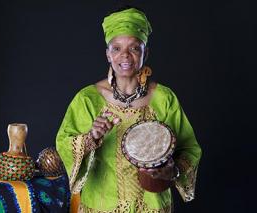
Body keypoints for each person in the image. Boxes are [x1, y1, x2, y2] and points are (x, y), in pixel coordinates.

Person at [56, 6, 202, 213]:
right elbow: (63, 144)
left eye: (134, 48)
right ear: (108, 54)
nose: (125, 56)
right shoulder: (87, 99)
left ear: (145, 52)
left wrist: (173, 170)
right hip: (102, 205)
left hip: (153, 206)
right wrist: (91, 138)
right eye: (116, 48)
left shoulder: (164, 98)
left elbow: (189, 149)